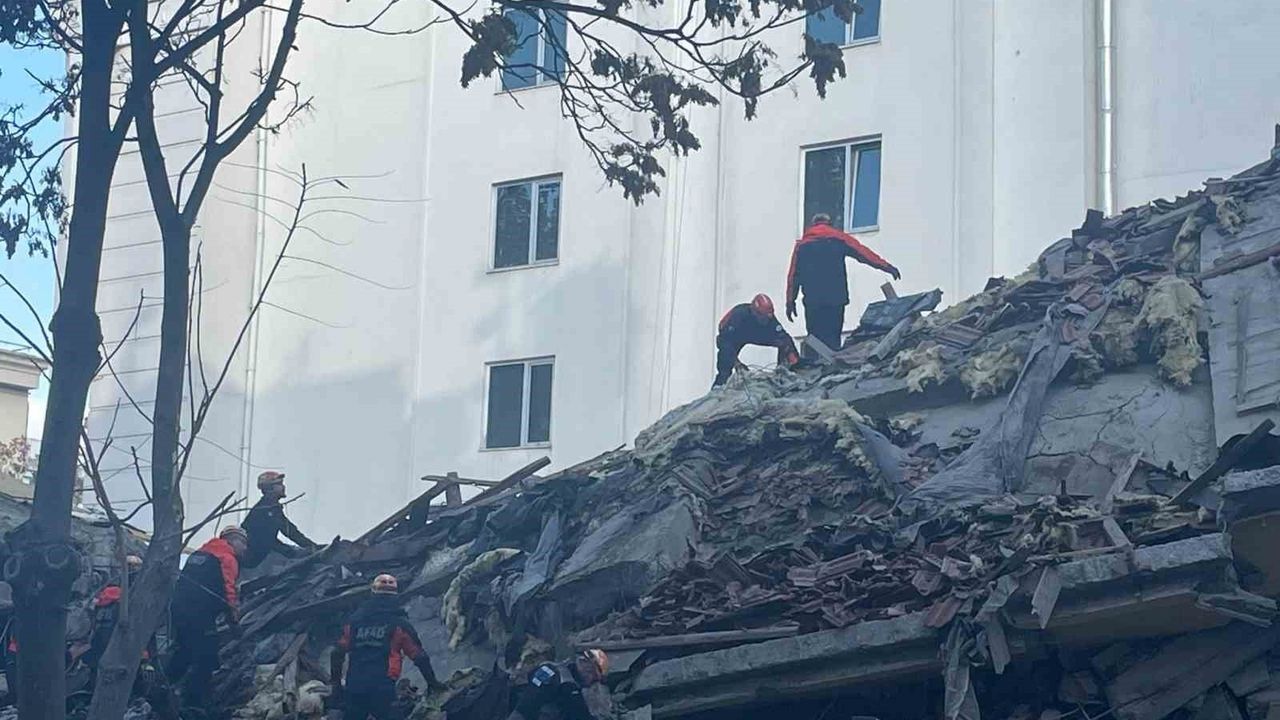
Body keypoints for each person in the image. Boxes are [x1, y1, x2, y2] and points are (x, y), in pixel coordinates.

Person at [785, 213, 901, 354]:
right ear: (830, 223)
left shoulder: (802, 246)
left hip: (813, 301)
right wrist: (887, 267)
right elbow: (864, 254)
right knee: (833, 337)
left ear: (813, 225)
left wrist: (790, 302)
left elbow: (793, 276)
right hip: (836, 298)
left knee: (814, 338)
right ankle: (833, 365)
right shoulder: (839, 239)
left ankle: (815, 367)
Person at [331, 574, 442, 720]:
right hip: (382, 689)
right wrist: (433, 684)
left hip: (354, 687)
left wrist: (337, 687)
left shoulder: (353, 622)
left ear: (372, 593)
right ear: (395, 596)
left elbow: (336, 653)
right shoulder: (398, 624)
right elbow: (419, 656)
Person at [167, 526, 247, 707]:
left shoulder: (199, 554)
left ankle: (163, 686)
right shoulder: (227, 557)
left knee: (184, 651)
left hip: (179, 611)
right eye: (243, 543)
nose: (245, 548)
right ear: (232, 540)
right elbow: (228, 589)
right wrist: (234, 617)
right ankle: (196, 702)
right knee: (207, 656)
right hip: (200, 614)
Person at [713, 294, 800, 387]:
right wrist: (737, 364)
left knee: (784, 342)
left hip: (759, 334)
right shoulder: (738, 315)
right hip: (737, 335)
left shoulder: (770, 319)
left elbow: (784, 338)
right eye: (764, 317)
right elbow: (724, 340)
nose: (768, 319)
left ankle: (783, 373)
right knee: (725, 358)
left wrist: (794, 362)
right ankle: (719, 385)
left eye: (770, 316)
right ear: (755, 313)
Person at [241, 470, 319, 569]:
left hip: (262, 557)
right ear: (270, 488)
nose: (283, 487)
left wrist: (311, 546)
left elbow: (290, 531)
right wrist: (291, 552)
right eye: (279, 484)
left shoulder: (272, 508)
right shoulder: (264, 510)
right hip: (257, 561)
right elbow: (266, 541)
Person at [507, 649, 609, 720]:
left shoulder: (548, 667)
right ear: (584, 665)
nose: (591, 682)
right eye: (594, 676)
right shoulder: (567, 685)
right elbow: (580, 714)